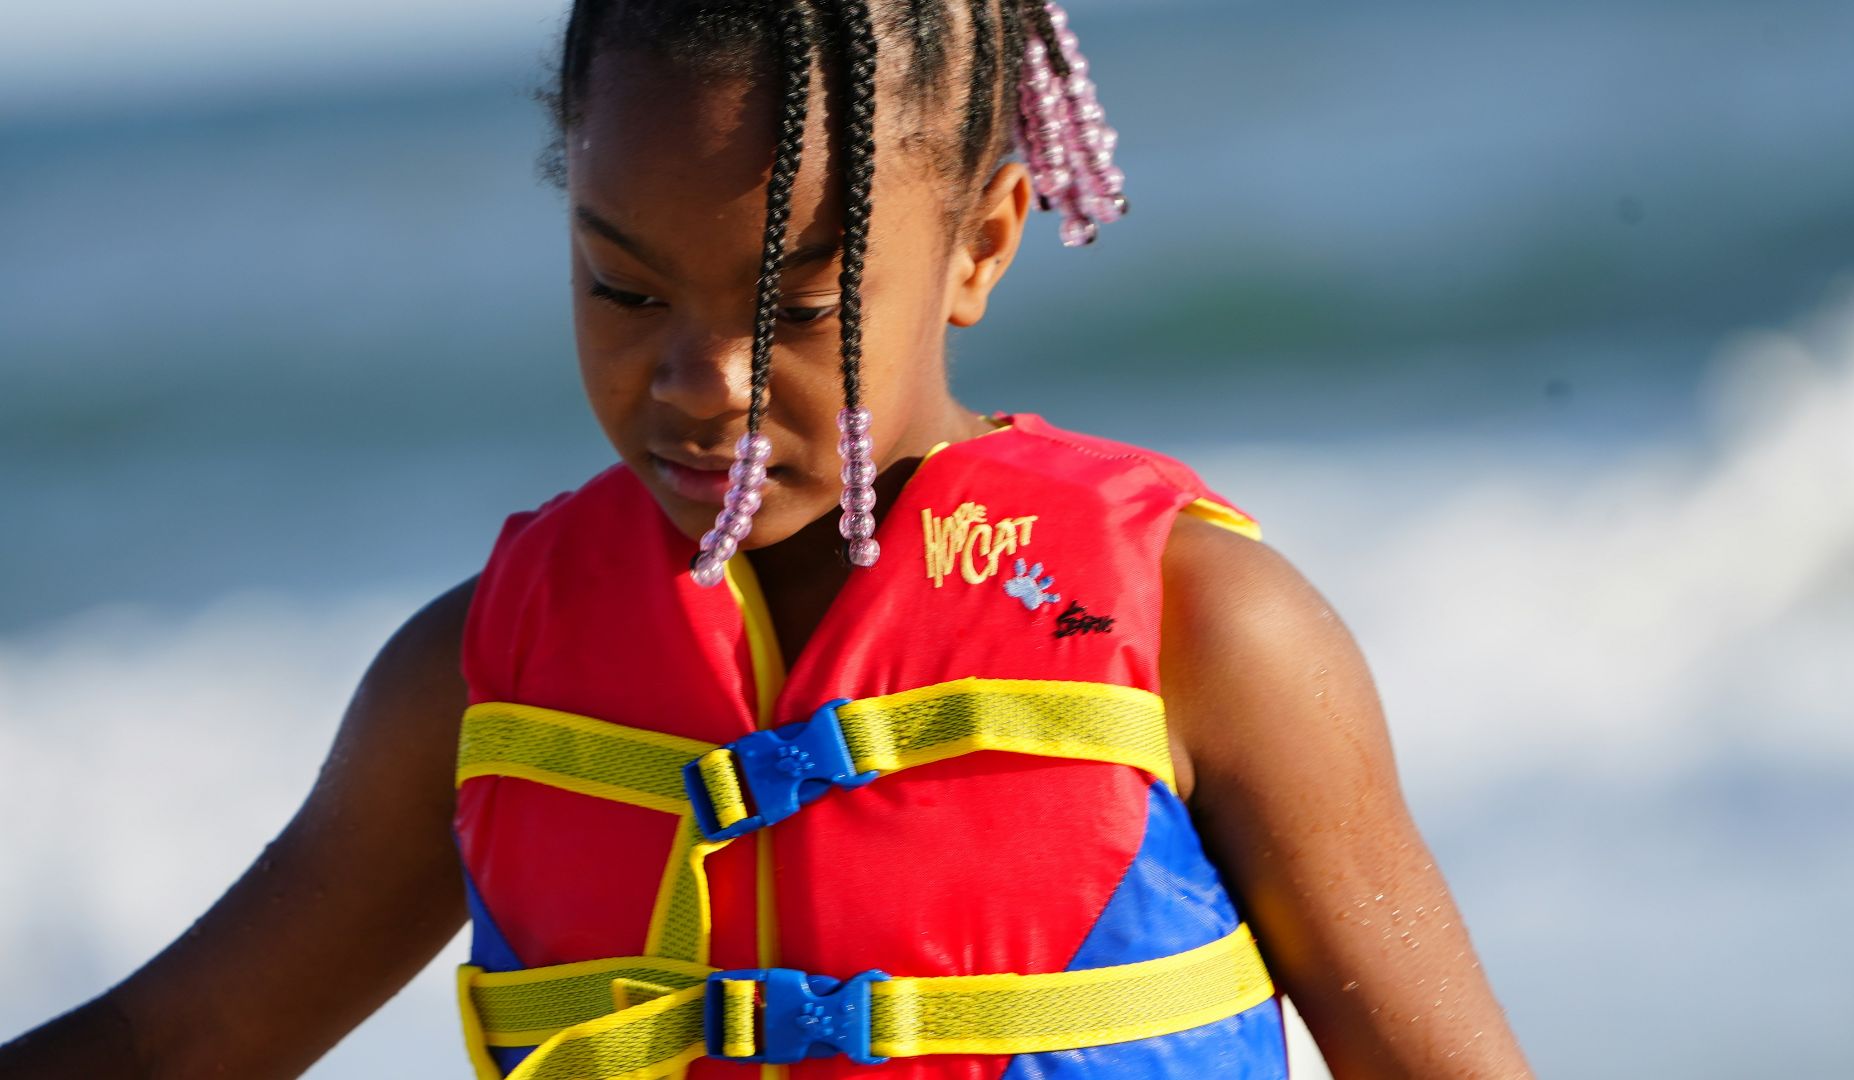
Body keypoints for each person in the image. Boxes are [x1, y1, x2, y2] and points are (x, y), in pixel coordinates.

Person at [0, 1, 1534, 1077]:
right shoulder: (476, 686)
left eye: (794, 312)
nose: (698, 383)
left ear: (985, 241)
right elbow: (179, 1046)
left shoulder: (1205, 632)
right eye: (622, 291)